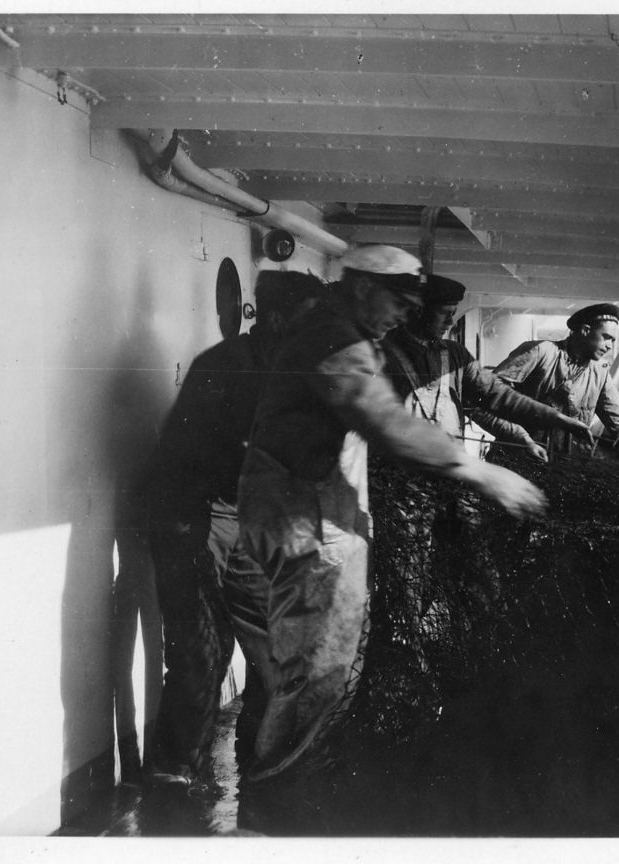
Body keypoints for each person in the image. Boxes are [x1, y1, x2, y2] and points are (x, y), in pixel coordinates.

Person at [237, 245, 548, 783]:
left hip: (317, 515)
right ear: (362, 287)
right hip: (306, 521)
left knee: (319, 671)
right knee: (318, 676)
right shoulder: (333, 339)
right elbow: (383, 419)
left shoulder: (339, 331)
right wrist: (479, 472)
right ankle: (279, 801)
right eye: (399, 302)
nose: (404, 316)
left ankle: (287, 786)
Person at [141, 269, 323, 786]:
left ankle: (259, 763)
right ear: (278, 320)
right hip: (195, 518)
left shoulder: (291, 371)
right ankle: (173, 777)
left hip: (249, 521)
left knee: (278, 648)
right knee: (203, 651)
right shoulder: (225, 367)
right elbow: (191, 457)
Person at [379, 273, 594, 452]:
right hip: (397, 464)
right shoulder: (383, 354)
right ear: (419, 311)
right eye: (444, 313)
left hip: (447, 463)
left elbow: (497, 394)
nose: (450, 321)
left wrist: (556, 418)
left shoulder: (455, 354)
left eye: (453, 314)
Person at [471, 303, 619, 461]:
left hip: (561, 469)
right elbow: (480, 402)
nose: (610, 346)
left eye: (613, 340)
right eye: (606, 337)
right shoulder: (540, 352)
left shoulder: (600, 374)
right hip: (514, 461)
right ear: (584, 331)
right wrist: (520, 439)